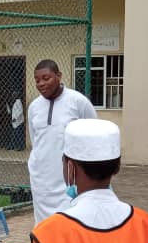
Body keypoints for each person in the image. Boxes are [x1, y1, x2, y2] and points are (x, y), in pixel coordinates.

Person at [27, 59, 97, 224]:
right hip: (41, 178)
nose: (41, 83)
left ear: (58, 76)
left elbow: (92, 134)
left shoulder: (78, 102)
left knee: (70, 223)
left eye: (46, 78)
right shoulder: (34, 107)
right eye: (37, 80)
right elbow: (36, 141)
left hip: (69, 178)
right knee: (44, 226)